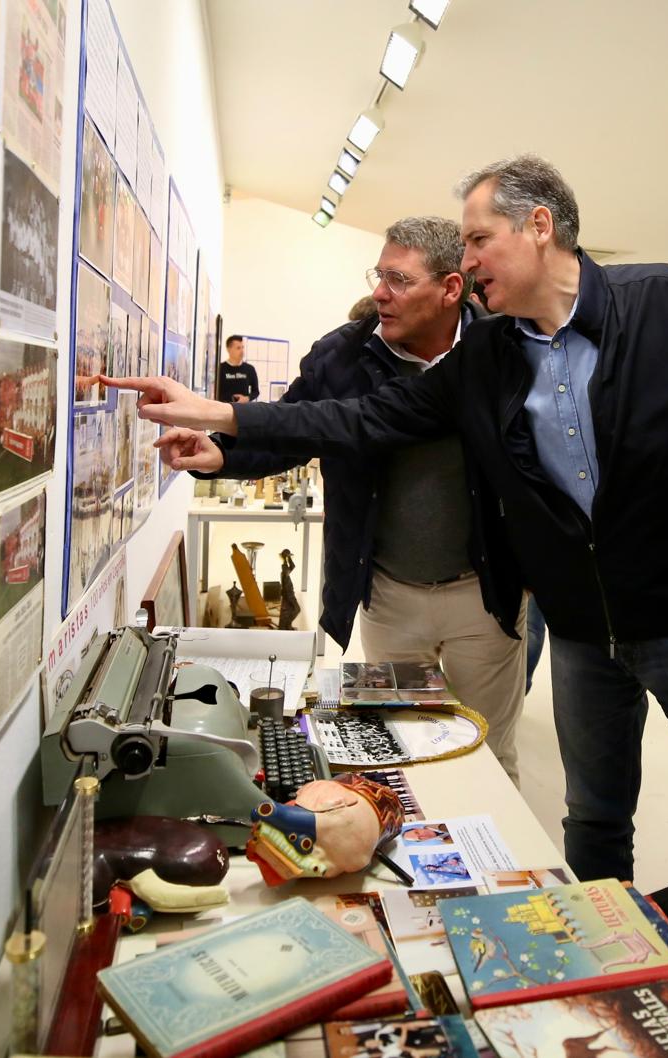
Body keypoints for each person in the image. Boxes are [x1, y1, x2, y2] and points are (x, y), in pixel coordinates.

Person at [105, 156, 668, 884]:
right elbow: (346, 419)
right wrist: (220, 426)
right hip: (546, 625)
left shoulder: (641, 309)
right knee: (579, 811)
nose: (466, 261)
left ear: (534, 230)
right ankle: (578, 938)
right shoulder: (470, 355)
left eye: (476, 241)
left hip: (624, 616)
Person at [132, 217, 531, 784]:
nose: (379, 293)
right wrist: (221, 454)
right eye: (379, 274)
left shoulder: (504, 347)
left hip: (484, 596)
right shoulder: (341, 356)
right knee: (397, 752)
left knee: (489, 755)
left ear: (450, 289)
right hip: (388, 594)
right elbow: (299, 429)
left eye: (398, 279)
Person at [216, 334, 258, 403]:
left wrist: (247, 398)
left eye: (242, 347)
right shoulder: (220, 369)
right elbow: (215, 392)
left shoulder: (250, 369)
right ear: (229, 349)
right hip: (225, 410)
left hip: (244, 411)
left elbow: (256, 391)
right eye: (238, 348)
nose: (242, 351)